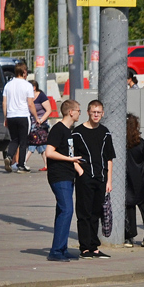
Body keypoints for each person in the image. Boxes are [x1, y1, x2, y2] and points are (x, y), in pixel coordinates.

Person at [72, 99, 116, 259]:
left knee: (96, 213)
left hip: (101, 178)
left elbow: (109, 158)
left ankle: (94, 246)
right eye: (93, 112)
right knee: (84, 212)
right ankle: (85, 248)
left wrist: (109, 181)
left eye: (99, 112)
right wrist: (81, 172)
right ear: (88, 112)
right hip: (85, 178)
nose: (96, 115)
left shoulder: (105, 132)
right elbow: (71, 156)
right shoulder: (77, 133)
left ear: (102, 114)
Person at [43, 99, 84, 262]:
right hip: (59, 176)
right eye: (79, 110)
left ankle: (61, 248)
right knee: (67, 210)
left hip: (68, 175)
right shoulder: (58, 129)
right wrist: (69, 159)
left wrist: (79, 169)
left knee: (63, 211)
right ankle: (56, 251)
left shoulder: (68, 132)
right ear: (70, 112)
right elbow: (49, 152)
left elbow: (71, 157)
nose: (80, 113)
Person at [124, 113, 144, 248]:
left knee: (128, 207)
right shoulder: (140, 142)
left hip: (126, 180)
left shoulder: (120, 143)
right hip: (142, 179)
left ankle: (128, 237)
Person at [3, 63, 38, 173]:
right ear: (24, 72)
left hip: (11, 115)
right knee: (23, 141)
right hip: (23, 115)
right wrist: (36, 117)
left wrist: (6, 117)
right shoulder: (27, 85)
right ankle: (21, 165)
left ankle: (9, 156)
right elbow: (30, 104)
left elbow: (4, 103)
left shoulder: (8, 85)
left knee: (14, 140)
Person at [25, 79, 54, 171]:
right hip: (31, 122)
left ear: (34, 87)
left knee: (32, 143)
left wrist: (41, 120)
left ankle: (23, 162)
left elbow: (49, 110)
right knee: (41, 145)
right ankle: (47, 164)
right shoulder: (28, 97)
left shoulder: (41, 96)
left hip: (40, 124)